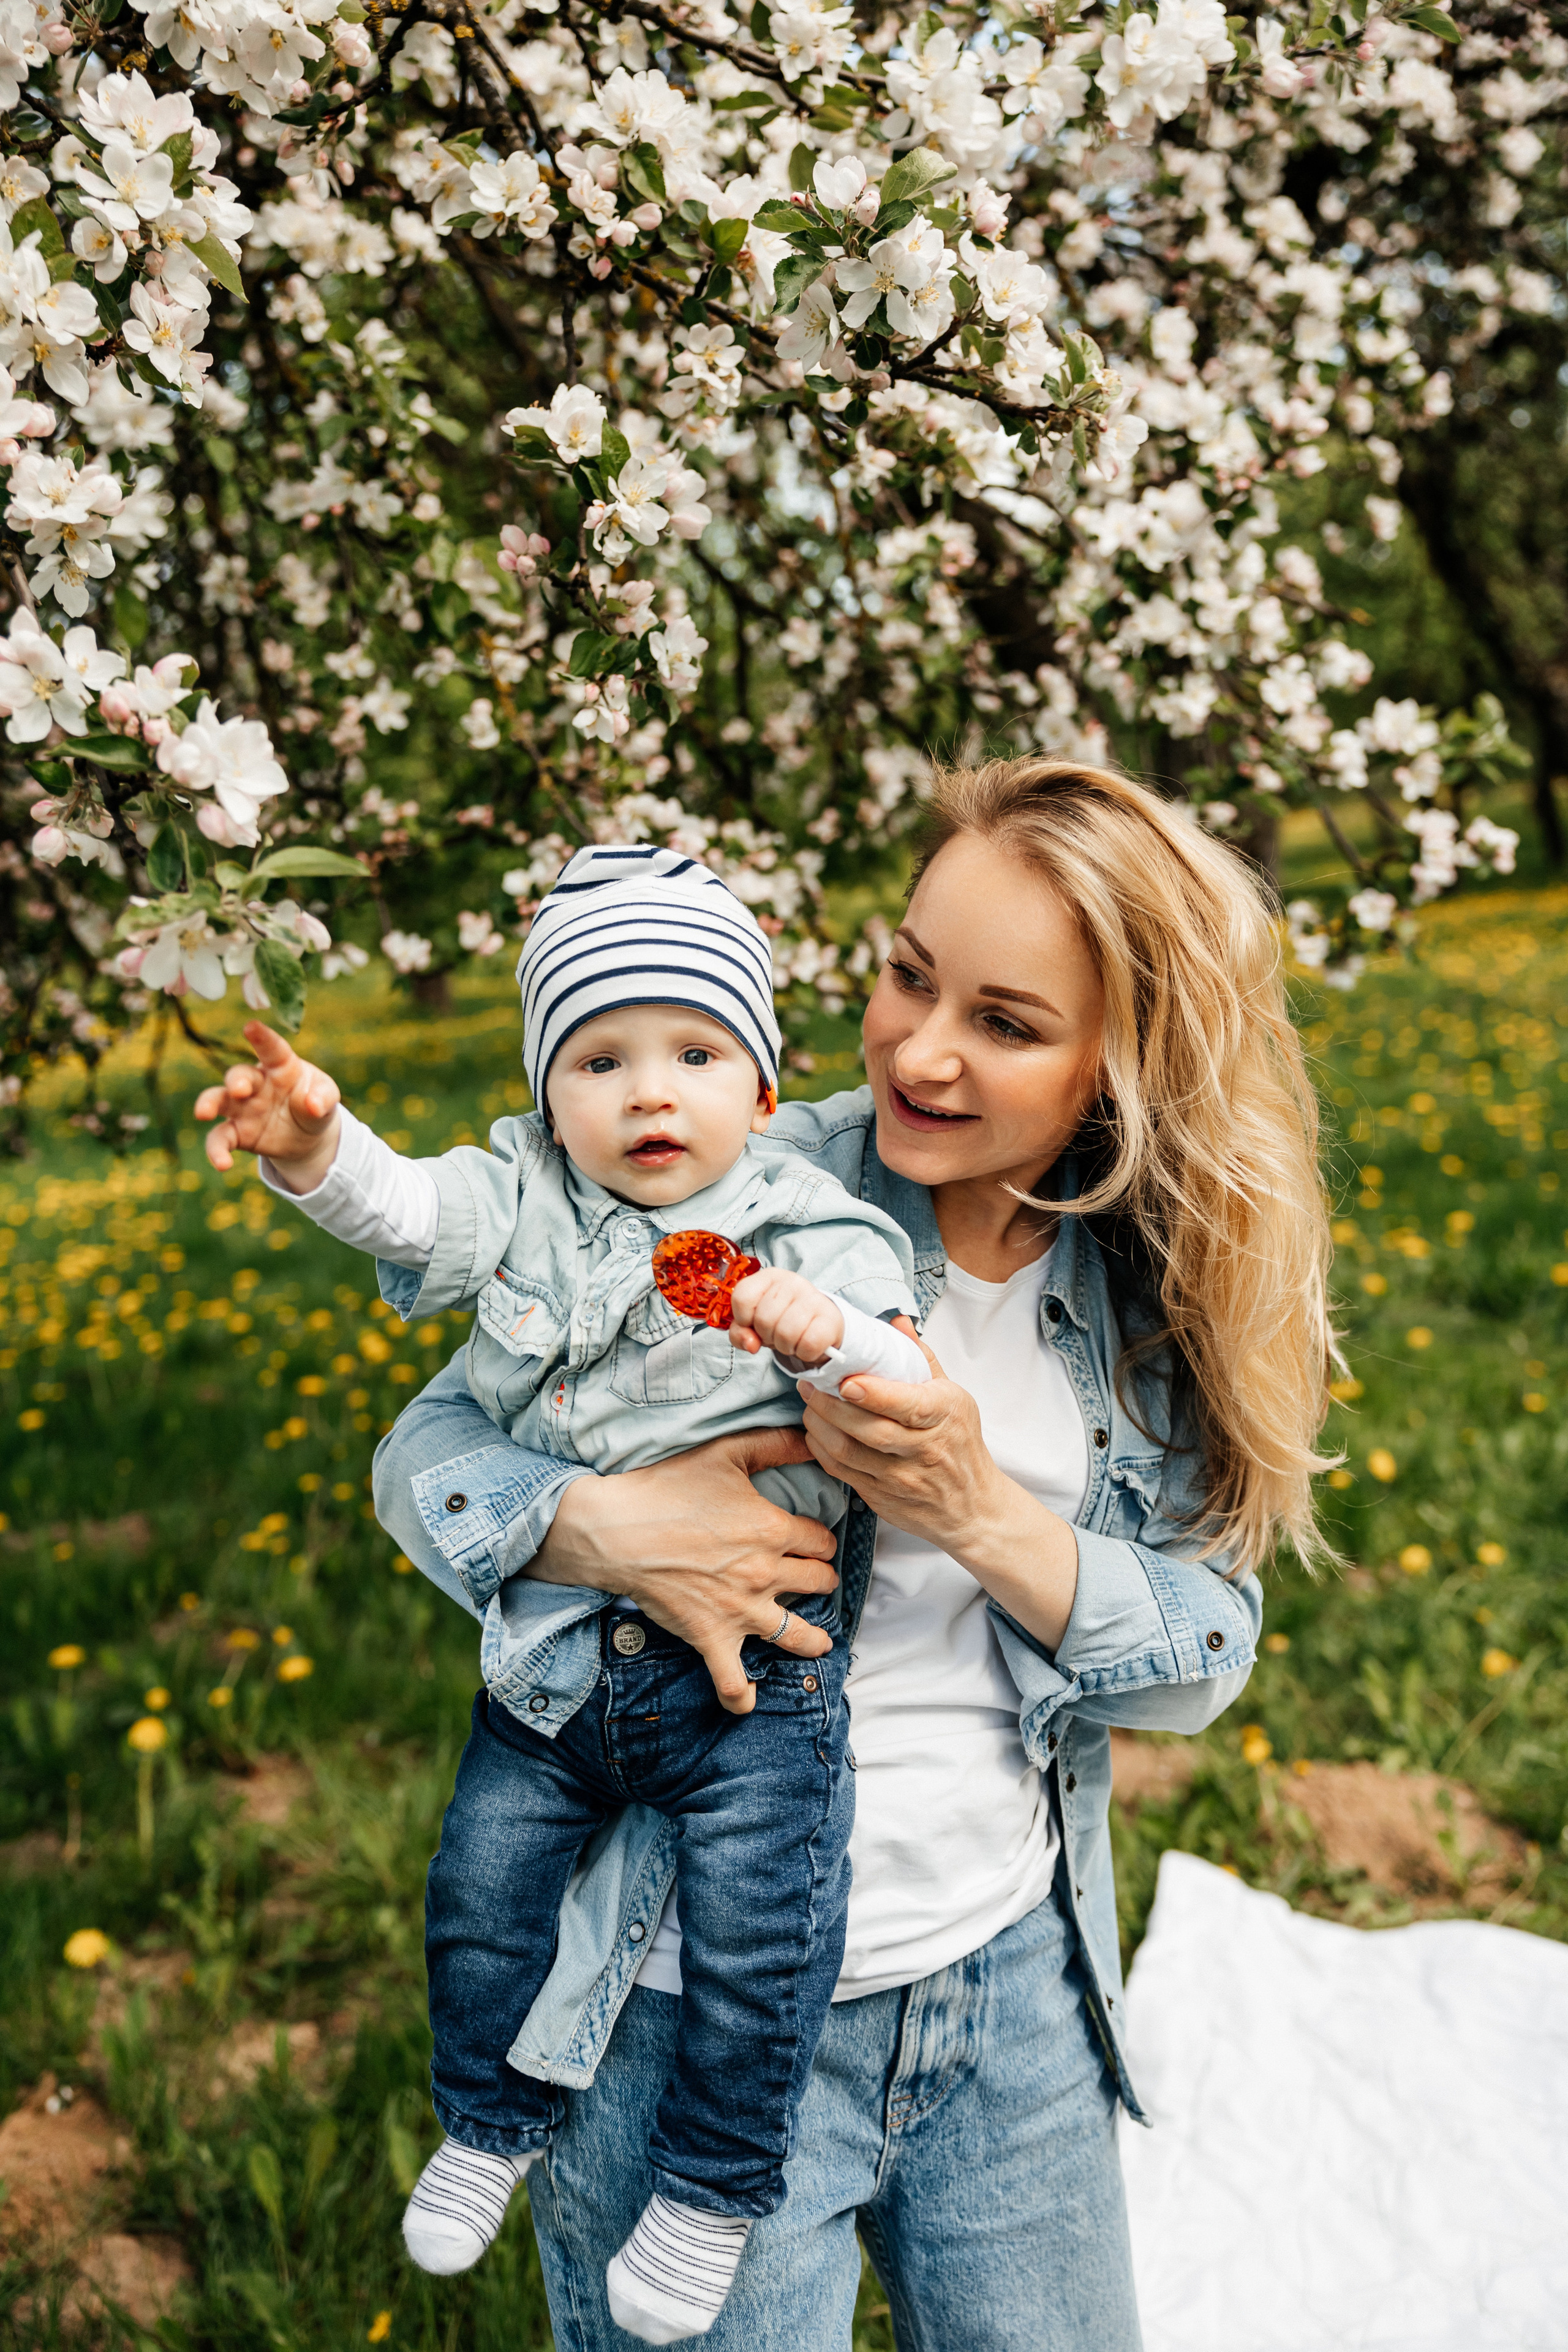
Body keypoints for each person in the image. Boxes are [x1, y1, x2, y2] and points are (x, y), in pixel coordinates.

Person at [374, 756, 1335, 2351]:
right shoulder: (731, 1192)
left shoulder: (1146, 1301)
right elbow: (429, 1459)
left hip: (1006, 1985)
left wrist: (977, 1511)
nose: (919, 1049)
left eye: (1006, 1022)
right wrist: (610, 1530)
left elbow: (1199, 1663)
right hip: (676, 2003)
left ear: (1123, 1069)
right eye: (906, 975)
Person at [192, 845, 930, 2345]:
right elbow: (404, 1213)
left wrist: (830, 1328)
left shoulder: (812, 1227)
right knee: (477, 1891)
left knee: (761, 1934)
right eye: (599, 1060)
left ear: (763, 1093)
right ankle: (488, 2120)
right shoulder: (522, 1196)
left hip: (756, 1683)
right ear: (547, 1098)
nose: (649, 1094)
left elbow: (912, 1382)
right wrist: (311, 1149)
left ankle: (716, 2187)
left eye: (693, 1053)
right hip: (558, 1663)